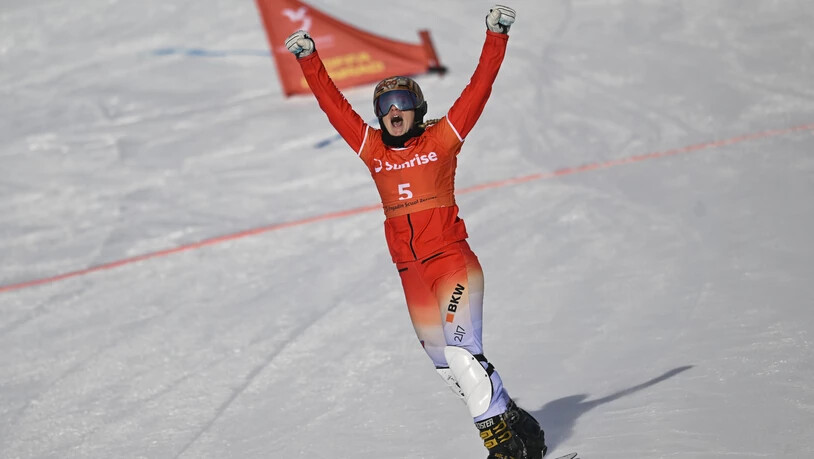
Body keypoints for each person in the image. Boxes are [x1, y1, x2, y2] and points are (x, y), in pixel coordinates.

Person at [285, 5, 546, 459]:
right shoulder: (372, 151)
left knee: (466, 356)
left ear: (417, 108)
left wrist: (495, 37)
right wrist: (310, 60)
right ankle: (513, 421)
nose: (393, 113)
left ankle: (504, 449)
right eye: (384, 107)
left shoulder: (442, 140)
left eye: (402, 103)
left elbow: (478, 89)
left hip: (450, 263)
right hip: (411, 272)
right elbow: (334, 106)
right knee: (446, 365)